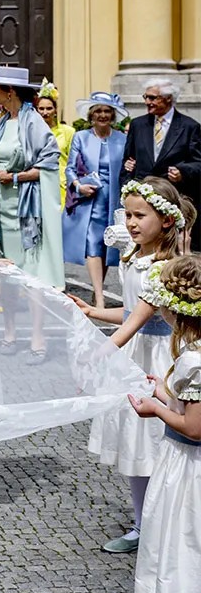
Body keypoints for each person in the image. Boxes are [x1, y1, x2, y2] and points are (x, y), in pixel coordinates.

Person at [71, 178, 192, 554]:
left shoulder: (163, 267)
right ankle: (141, 522)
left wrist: (94, 357)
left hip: (159, 357)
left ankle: (165, 523)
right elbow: (127, 312)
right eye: (128, 215)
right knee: (135, 446)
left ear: (167, 221)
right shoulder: (133, 257)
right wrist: (94, 311)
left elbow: (136, 322)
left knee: (158, 444)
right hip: (134, 349)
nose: (132, 223)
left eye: (141, 215)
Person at [128, 253, 201, 593]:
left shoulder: (196, 360)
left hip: (191, 470)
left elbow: (194, 428)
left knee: (191, 545)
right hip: (186, 466)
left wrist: (157, 409)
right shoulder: (192, 355)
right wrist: (163, 389)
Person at [0, 65, 64, 305]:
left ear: (9, 91)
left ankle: (37, 335)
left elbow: (49, 162)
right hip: (3, 206)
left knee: (32, 269)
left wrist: (16, 177)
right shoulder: (2, 122)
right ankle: (10, 332)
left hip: (26, 209)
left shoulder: (33, 121)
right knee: (6, 268)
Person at [62, 91, 127, 308]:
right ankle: (99, 297)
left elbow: (129, 165)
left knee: (107, 246)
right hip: (90, 201)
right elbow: (70, 169)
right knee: (92, 244)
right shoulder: (81, 137)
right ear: (91, 114)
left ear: (113, 115)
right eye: (98, 111)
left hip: (114, 199)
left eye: (107, 111)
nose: (102, 115)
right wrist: (79, 186)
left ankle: (97, 290)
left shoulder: (123, 139)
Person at [121, 77, 201, 250]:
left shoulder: (189, 126)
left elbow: (198, 163)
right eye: (146, 97)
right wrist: (127, 188)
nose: (147, 102)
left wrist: (183, 172)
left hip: (173, 199)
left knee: (173, 250)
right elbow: (128, 161)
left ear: (168, 99)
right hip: (143, 201)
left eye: (152, 98)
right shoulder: (138, 124)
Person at [34, 81, 76, 203]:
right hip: (38, 182)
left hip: (62, 184)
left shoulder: (69, 132)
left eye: (49, 108)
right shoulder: (31, 132)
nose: (45, 112)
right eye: (41, 109)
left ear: (55, 110)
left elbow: (74, 161)